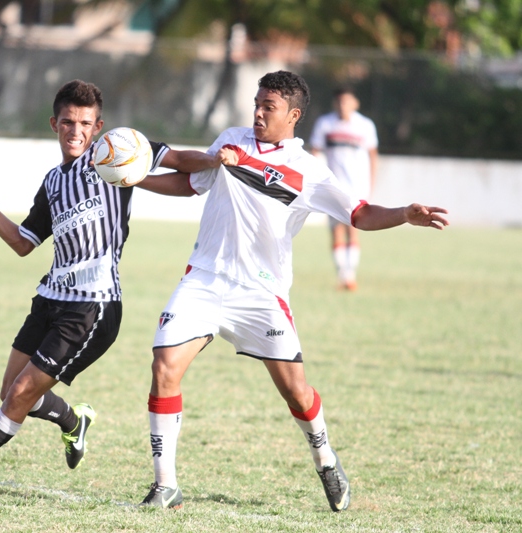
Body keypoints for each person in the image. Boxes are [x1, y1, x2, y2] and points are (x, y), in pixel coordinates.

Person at [136, 71, 447, 512]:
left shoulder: (309, 172)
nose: (259, 113)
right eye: (257, 103)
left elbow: (358, 214)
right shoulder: (232, 139)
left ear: (294, 115)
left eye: (270, 107)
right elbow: (191, 183)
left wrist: (403, 214)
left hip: (262, 293)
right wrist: (134, 179)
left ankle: (325, 459)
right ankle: (165, 484)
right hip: (204, 278)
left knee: (296, 393)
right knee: (165, 366)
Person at [0, 80, 223, 495]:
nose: (75, 131)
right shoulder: (53, 181)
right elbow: (24, 243)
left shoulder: (118, 151)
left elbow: (180, 161)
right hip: (49, 299)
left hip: (92, 309)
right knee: (10, 392)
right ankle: (73, 421)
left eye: (84, 123)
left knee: (21, 394)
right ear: (54, 124)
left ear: (98, 127)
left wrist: (214, 159)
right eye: (67, 122)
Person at [310, 86, 379, 291]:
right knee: (336, 230)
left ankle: (350, 275)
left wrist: (371, 184)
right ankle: (343, 275)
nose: (343, 106)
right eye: (339, 101)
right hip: (333, 186)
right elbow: (315, 152)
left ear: (355, 103)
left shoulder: (365, 125)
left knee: (354, 228)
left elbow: (373, 156)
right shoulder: (325, 123)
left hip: (357, 186)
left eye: (347, 101)